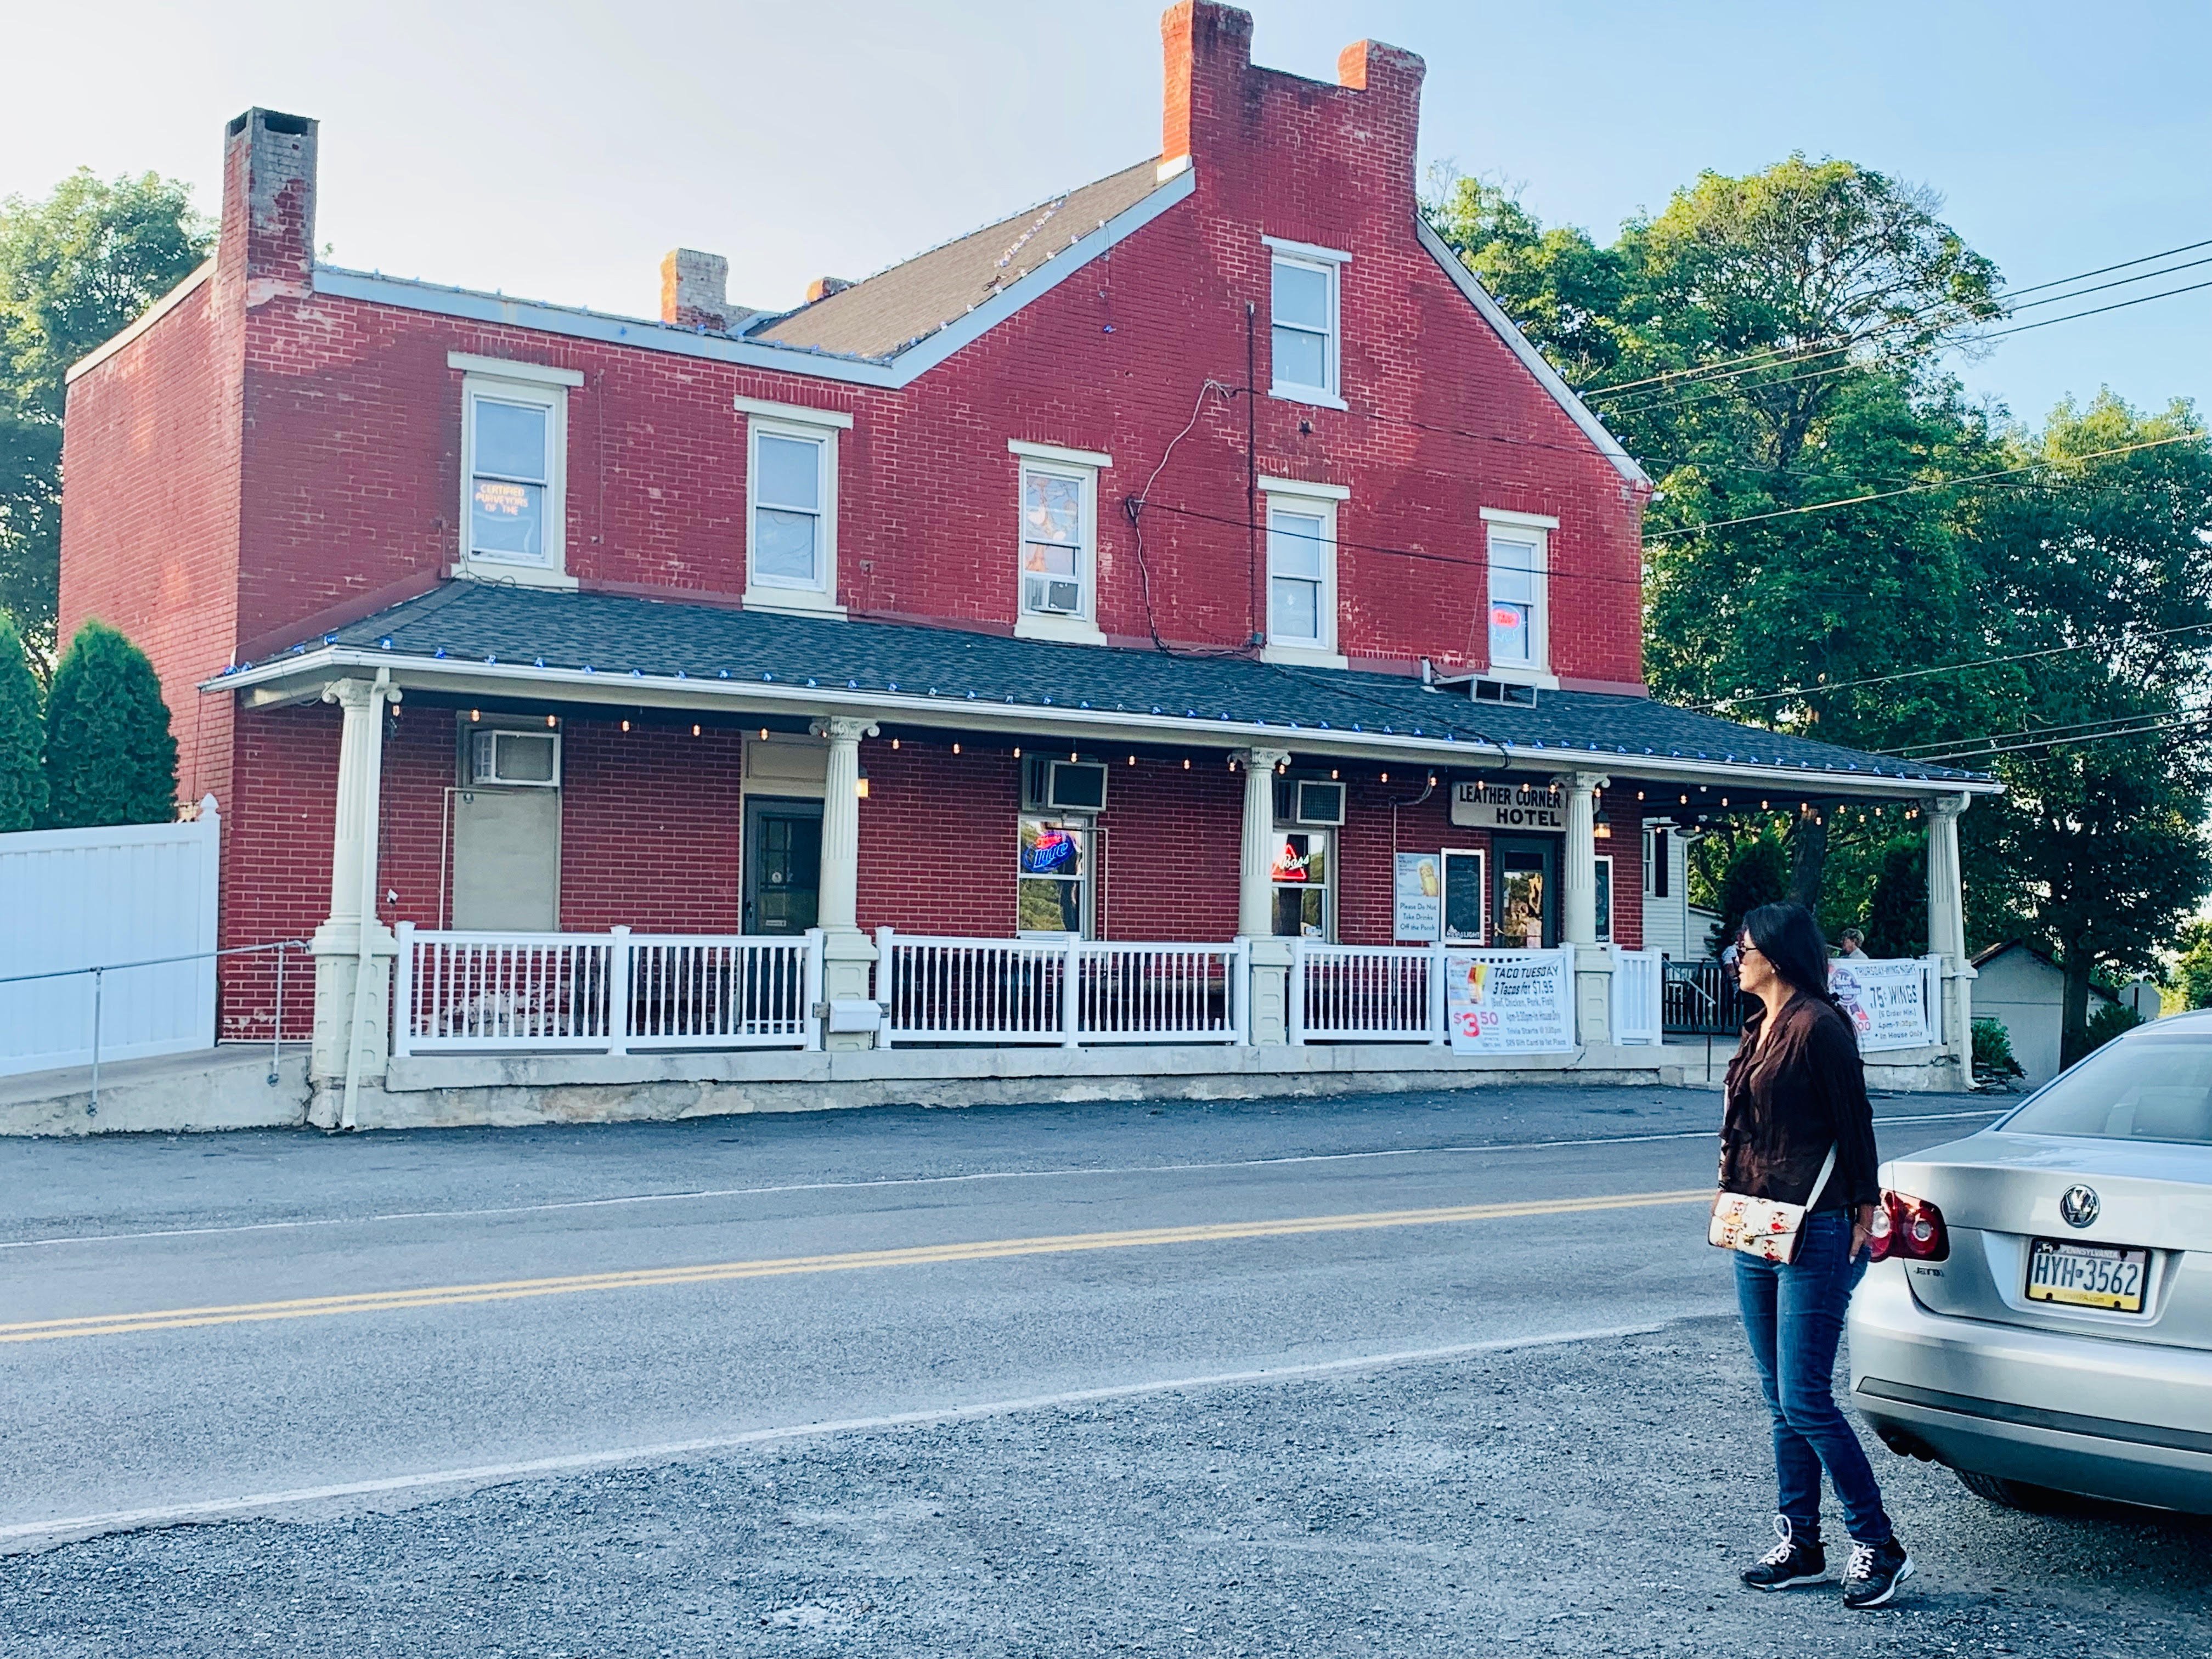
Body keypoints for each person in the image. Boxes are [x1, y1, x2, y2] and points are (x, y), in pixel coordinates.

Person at [1723, 901, 1912, 1609]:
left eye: (1743, 946)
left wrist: (1864, 1211)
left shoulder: (1820, 1026)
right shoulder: (1759, 1026)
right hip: (1756, 1223)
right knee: (1780, 1399)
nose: (1735, 955)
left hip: (1819, 1227)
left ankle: (1879, 1543)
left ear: (1776, 952)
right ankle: (1802, 1542)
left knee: (1805, 1397)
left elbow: (1855, 1122)